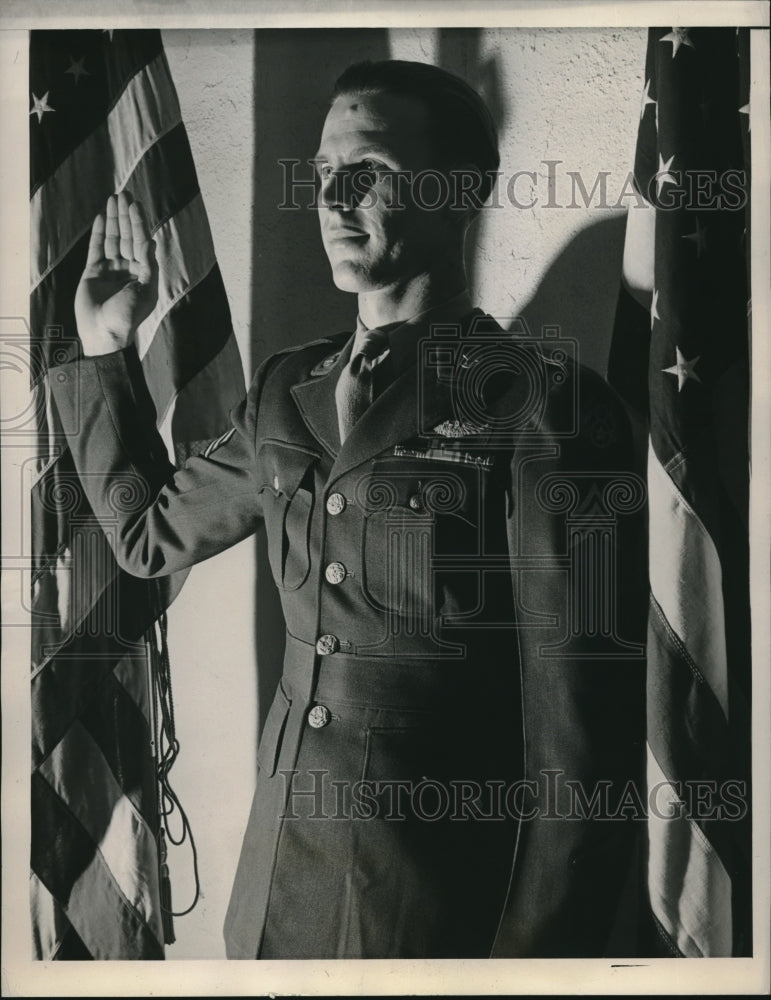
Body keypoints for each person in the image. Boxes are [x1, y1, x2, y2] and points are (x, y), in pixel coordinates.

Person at [51, 59, 648, 959]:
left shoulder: (549, 408)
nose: (334, 199)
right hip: (275, 894)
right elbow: (146, 535)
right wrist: (103, 355)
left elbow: (584, 743)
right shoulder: (289, 390)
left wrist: (532, 959)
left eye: (368, 172)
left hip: (434, 914)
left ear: (459, 192)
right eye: (326, 173)